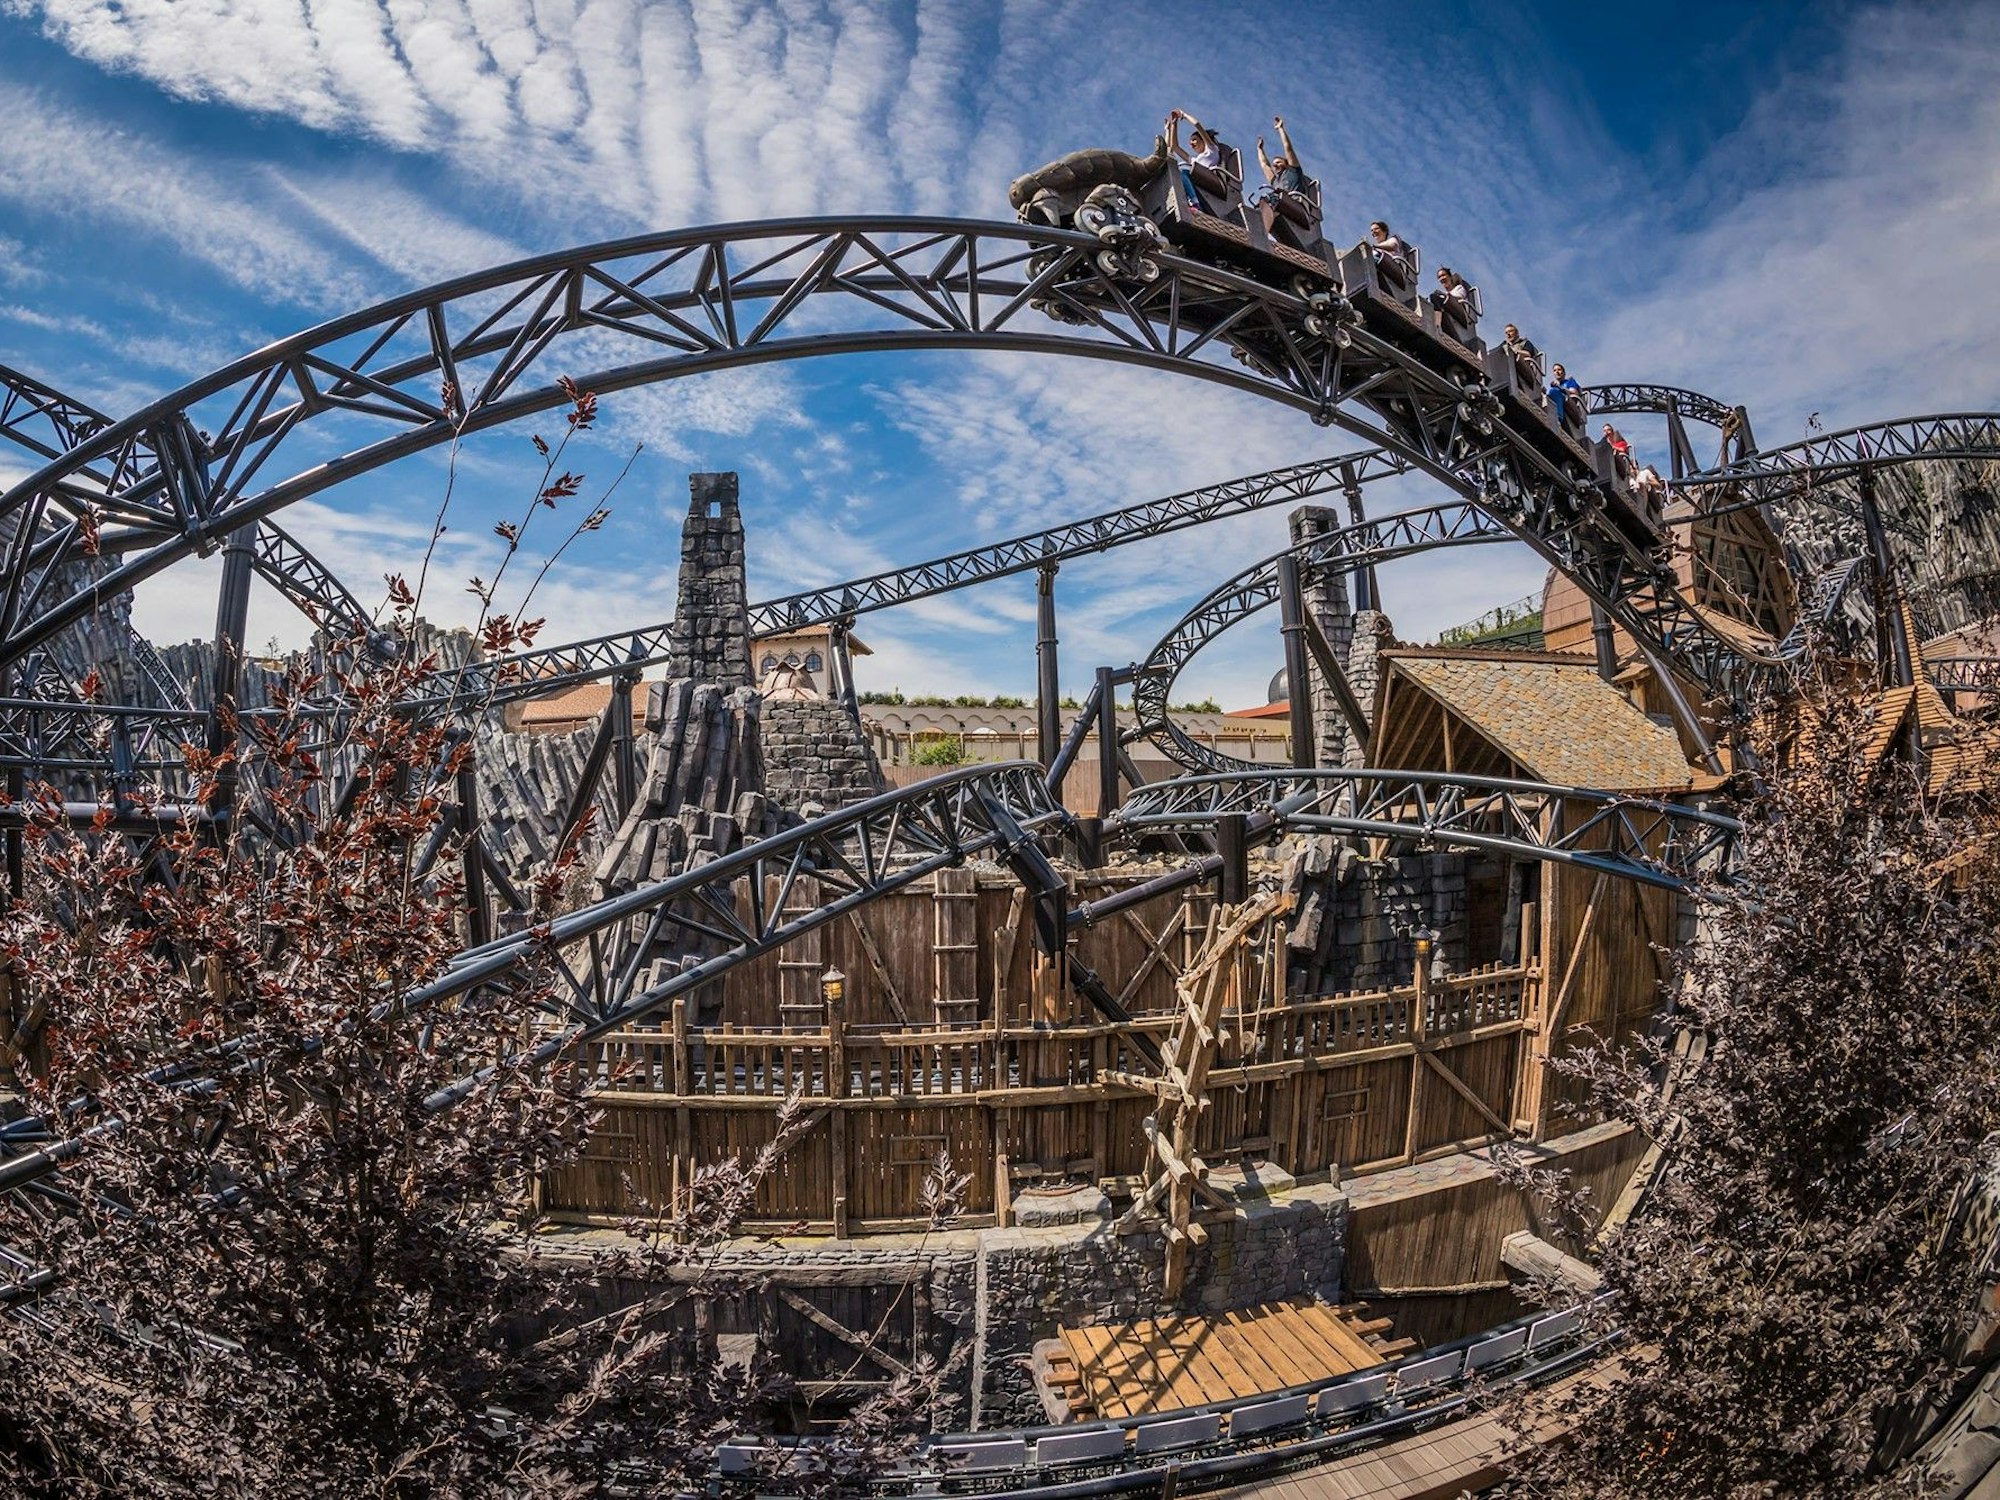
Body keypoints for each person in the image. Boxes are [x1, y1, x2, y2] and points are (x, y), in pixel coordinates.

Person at [1255, 114, 1318, 243]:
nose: (1275, 165)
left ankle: (1261, 233)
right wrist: (1260, 150)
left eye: (1278, 162)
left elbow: (1288, 147)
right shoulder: (1275, 181)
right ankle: (1257, 229)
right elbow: (1264, 165)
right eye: (1274, 163)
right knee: (1261, 202)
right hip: (1279, 203)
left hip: (1297, 205)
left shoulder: (1293, 171)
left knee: (1271, 198)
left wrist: (1280, 129)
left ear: (1286, 163)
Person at [1167, 109, 1234, 211]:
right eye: (1190, 141)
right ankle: (1192, 202)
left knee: (1183, 168)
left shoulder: (1212, 150)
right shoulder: (1195, 160)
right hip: (1199, 178)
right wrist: (1174, 125)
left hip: (1212, 180)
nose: (1191, 143)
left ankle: (1194, 203)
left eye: (1194, 139)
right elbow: (1175, 147)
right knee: (1178, 170)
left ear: (1203, 140)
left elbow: (1197, 124)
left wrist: (1184, 115)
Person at [1429, 266, 1476, 338]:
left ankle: (1437, 325)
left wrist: (1445, 296)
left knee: (1435, 297)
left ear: (1450, 277)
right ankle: (1439, 326)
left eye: (1443, 275)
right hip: (1448, 310)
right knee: (1434, 298)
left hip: (1460, 312)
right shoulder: (1444, 294)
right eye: (1439, 277)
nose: (1442, 278)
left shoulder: (1459, 288)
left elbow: (1457, 299)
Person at [1368, 220, 1415, 294]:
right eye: (1372, 230)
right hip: (1380, 267)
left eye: (1376, 229)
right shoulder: (1375, 249)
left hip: (1395, 269)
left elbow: (1393, 246)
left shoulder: (1393, 239)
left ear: (1384, 231)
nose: (1373, 232)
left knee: (1371, 259)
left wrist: (1375, 246)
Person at [1501, 323, 1542, 390]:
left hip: (1524, 369)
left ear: (1517, 333)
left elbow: (1528, 353)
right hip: (1507, 368)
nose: (1508, 334)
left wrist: (1515, 351)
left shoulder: (1524, 342)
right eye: (1506, 333)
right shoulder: (1504, 345)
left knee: (1517, 358)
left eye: (1510, 331)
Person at [1548, 363, 1586, 434]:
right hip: (1559, 400)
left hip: (1570, 402)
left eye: (1559, 369)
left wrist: (1560, 388)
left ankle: (1558, 420)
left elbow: (1574, 392)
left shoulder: (1570, 381)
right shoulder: (1555, 386)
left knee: (1554, 391)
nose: (1557, 372)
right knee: (1550, 393)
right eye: (1554, 370)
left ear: (1564, 372)